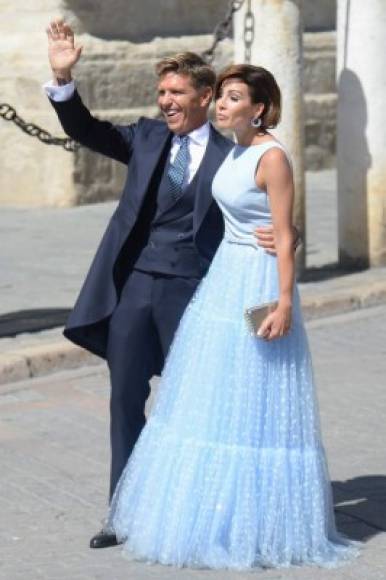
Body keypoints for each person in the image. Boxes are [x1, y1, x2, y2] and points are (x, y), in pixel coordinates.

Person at [44, 20, 296, 549]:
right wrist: (63, 80)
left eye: (176, 92)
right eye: (161, 92)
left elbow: (269, 212)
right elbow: (87, 129)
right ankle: (121, 512)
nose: (166, 101)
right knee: (124, 400)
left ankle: (191, 511)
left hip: (197, 294)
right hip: (134, 288)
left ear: (206, 97)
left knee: (192, 404)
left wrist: (283, 238)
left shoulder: (237, 155)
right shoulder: (146, 137)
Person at [106, 64, 360, 569]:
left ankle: (256, 522)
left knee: (255, 389)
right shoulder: (235, 150)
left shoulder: (271, 157)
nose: (222, 105)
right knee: (216, 392)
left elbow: (283, 236)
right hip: (223, 280)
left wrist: (285, 301)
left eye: (233, 98)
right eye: (220, 97)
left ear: (258, 108)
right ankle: (213, 511)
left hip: (259, 286)